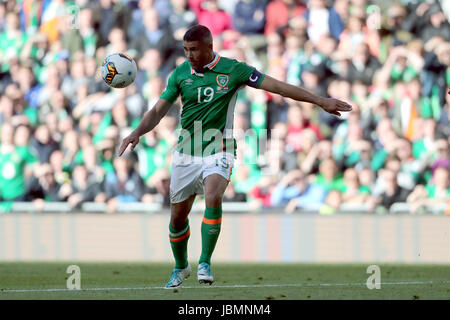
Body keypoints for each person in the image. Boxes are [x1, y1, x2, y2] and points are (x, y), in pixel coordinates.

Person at [118, 25, 352, 288]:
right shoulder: (180, 74)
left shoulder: (234, 69)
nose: (189, 55)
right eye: (185, 50)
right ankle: (181, 267)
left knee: (213, 194)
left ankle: (204, 262)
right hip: (186, 152)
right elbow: (158, 110)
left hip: (220, 147)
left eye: (194, 49)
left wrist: (320, 100)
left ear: (209, 46)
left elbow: (278, 87)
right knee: (177, 218)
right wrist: (137, 131)